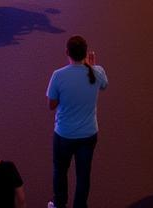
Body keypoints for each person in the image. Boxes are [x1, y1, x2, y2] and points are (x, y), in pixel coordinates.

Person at [46, 34, 108, 208]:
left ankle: (59, 204)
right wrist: (92, 65)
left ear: (67, 52)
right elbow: (103, 85)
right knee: (83, 175)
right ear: (86, 53)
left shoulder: (58, 76)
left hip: (64, 134)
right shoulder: (97, 72)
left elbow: (51, 105)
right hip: (88, 134)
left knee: (60, 171)